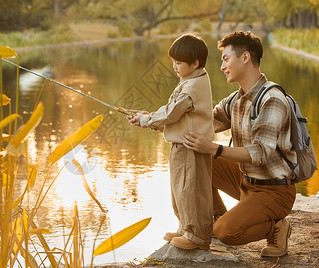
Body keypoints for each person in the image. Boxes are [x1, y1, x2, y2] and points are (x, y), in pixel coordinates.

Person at [182, 31, 296, 257]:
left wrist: (215, 148)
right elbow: (203, 123)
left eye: (225, 59)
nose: (222, 66)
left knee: (227, 233)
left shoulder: (272, 99)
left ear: (245, 58)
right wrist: (155, 121)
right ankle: (215, 216)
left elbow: (261, 152)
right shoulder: (235, 100)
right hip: (245, 181)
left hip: (274, 190)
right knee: (195, 154)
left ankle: (277, 227)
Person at [126, 34, 214, 250]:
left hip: (189, 148)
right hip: (182, 146)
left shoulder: (192, 87)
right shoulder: (191, 79)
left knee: (190, 190)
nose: (174, 66)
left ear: (194, 64)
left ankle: (198, 236)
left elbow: (172, 113)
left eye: (178, 63)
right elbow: (175, 115)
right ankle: (185, 227)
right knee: (179, 190)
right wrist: (148, 117)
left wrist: (146, 119)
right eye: (173, 62)